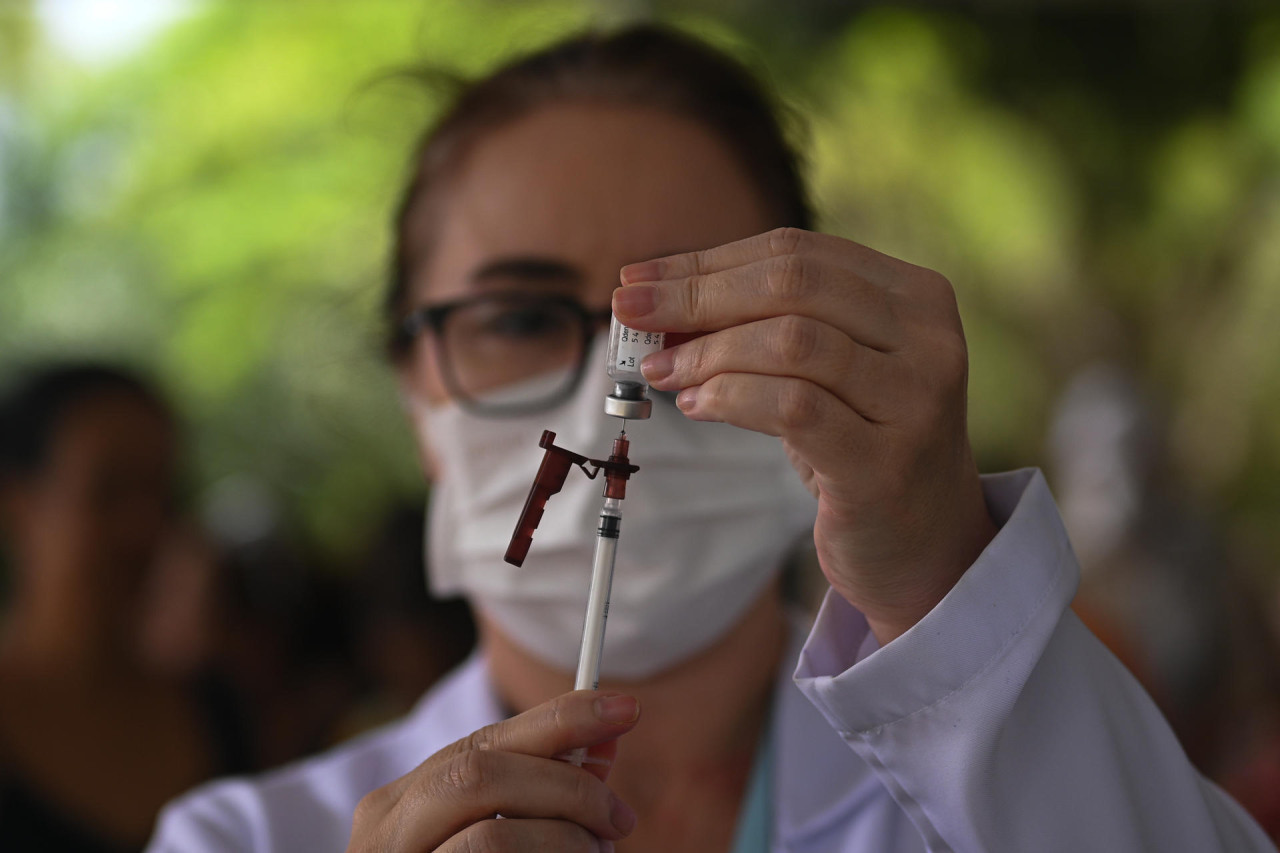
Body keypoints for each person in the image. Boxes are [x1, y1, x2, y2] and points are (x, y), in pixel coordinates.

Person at [148, 24, 1274, 852]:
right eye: (521, 318)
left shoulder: (1015, 796)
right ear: (413, 390)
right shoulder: (244, 836)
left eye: (689, 310)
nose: (611, 387)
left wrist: (942, 580)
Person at [0, 364, 253, 852]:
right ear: (18, 503)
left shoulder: (215, 707)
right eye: (108, 491)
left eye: (160, 490)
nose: (143, 524)